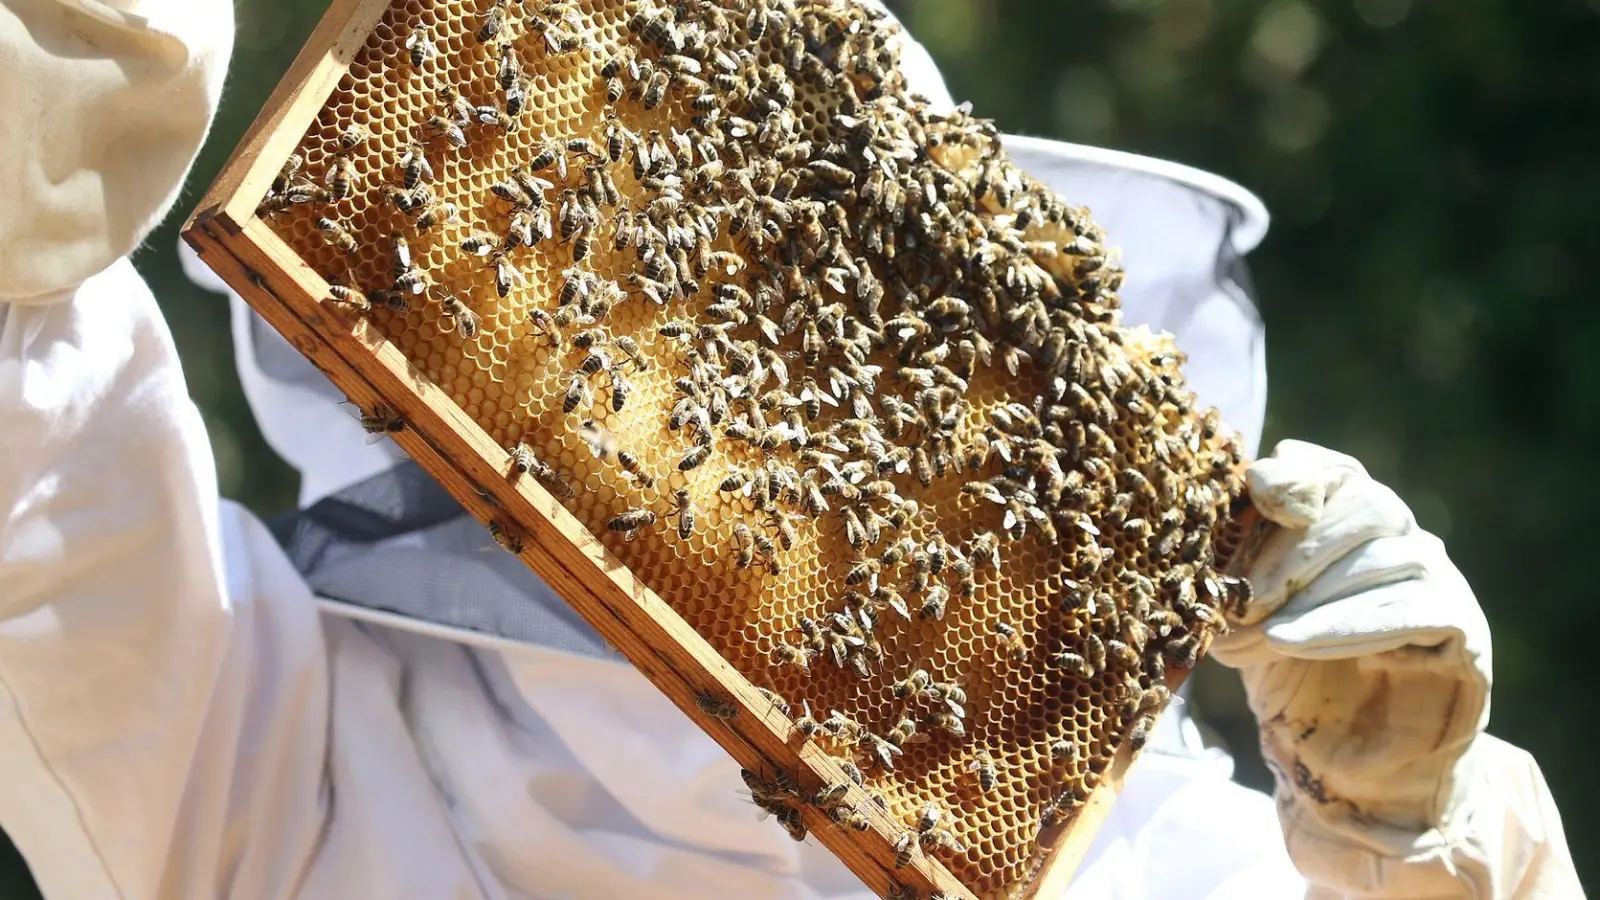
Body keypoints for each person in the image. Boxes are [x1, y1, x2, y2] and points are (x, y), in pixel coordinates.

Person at [0, 1, 1581, 898]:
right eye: (667, 285)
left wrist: (1427, 835)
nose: (766, 373)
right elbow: (47, 498)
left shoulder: (1163, 861)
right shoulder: (294, 767)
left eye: (884, 322)